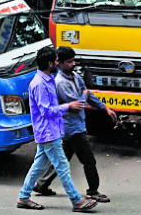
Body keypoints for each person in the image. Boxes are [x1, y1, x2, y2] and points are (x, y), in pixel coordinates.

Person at [16, 45, 99, 213]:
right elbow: (46, 111)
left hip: (50, 131)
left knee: (38, 166)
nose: (57, 63)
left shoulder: (48, 80)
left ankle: (24, 197)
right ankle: (76, 201)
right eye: (55, 61)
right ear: (49, 63)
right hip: (48, 132)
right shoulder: (40, 84)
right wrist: (68, 106)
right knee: (62, 166)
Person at [33, 46, 118, 203]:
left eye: (73, 60)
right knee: (89, 160)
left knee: (62, 158)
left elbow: (87, 94)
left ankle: (42, 184)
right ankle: (93, 191)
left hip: (74, 126)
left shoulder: (76, 76)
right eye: (69, 61)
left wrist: (105, 108)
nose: (73, 64)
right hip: (71, 128)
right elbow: (77, 103)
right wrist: (84, 96)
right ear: (60, 63)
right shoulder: (60, 83)